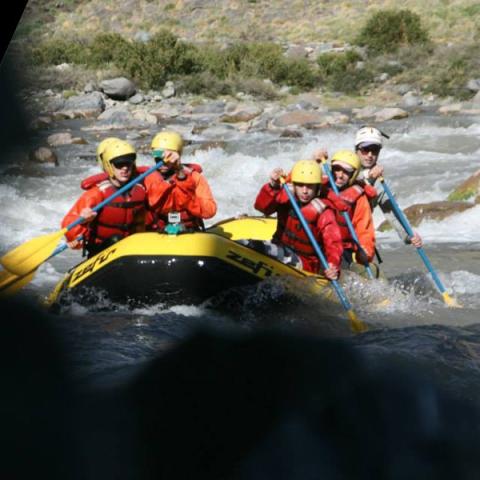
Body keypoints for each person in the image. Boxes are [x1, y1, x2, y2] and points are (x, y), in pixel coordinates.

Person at [62, 138, 168, 257]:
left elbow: (163, 205)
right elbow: (69, 225)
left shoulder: (142, 188)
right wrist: (83, 221)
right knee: (115, 239)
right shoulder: (96, 194)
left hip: (135, 247)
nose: (125, 168)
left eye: (128, 164)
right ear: (109, 166)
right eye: (119, 164)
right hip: (103, 251)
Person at [254, 160, 343, 280]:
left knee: (262, 248)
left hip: (306, 263)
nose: (305, 191)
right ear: (294, 185)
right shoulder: (286, 197)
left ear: (317, 187)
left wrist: (333, 265)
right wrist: (272, 186)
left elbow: (334, 244)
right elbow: (262, 208)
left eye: (310, 186)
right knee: (251, 244)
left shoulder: (324, 213)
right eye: (300, 185)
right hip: (281, 248)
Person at [354, 125, 423, 248]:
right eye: (365, 149)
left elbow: (393, 212)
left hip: (358, 235)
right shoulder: (343, 169)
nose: (370, 155)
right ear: (357, 150)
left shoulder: (381, 183)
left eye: (374, 150)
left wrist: (410, 235)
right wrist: (369, 178)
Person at [147, 131, 217, 233]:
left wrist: (187, 197)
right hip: (159, 231)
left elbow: (209, 210)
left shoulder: (194, 177)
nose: (162, 163)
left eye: (166, 159)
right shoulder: (148, 177)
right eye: (158, 159)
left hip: (189, 230)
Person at [327, 150, 378, 275]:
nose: (340, 175)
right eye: (337, 169)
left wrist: (365, 252)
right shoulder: (318, 186)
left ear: (353, 175)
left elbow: (364, 230)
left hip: (341, 251)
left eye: (346, 172)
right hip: (318, 245)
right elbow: (296, 183)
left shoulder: (359, 198)